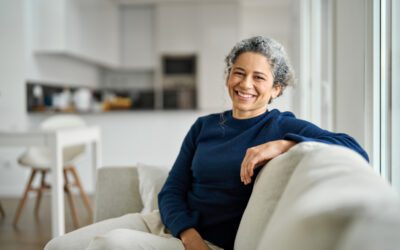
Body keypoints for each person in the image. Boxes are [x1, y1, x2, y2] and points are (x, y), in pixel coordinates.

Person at [46, 36, 368, 250]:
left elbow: (355, 150)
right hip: (169, 225)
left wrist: (284, 145)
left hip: (208, 242)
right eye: (238, 73)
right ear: (228, 75)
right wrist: (188, 234)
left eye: (259, 78)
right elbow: (172, 189)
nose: (245, 84)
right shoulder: (205, 126)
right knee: (57, 246)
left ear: (277, 90)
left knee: (109, 245)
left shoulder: (281, 125)